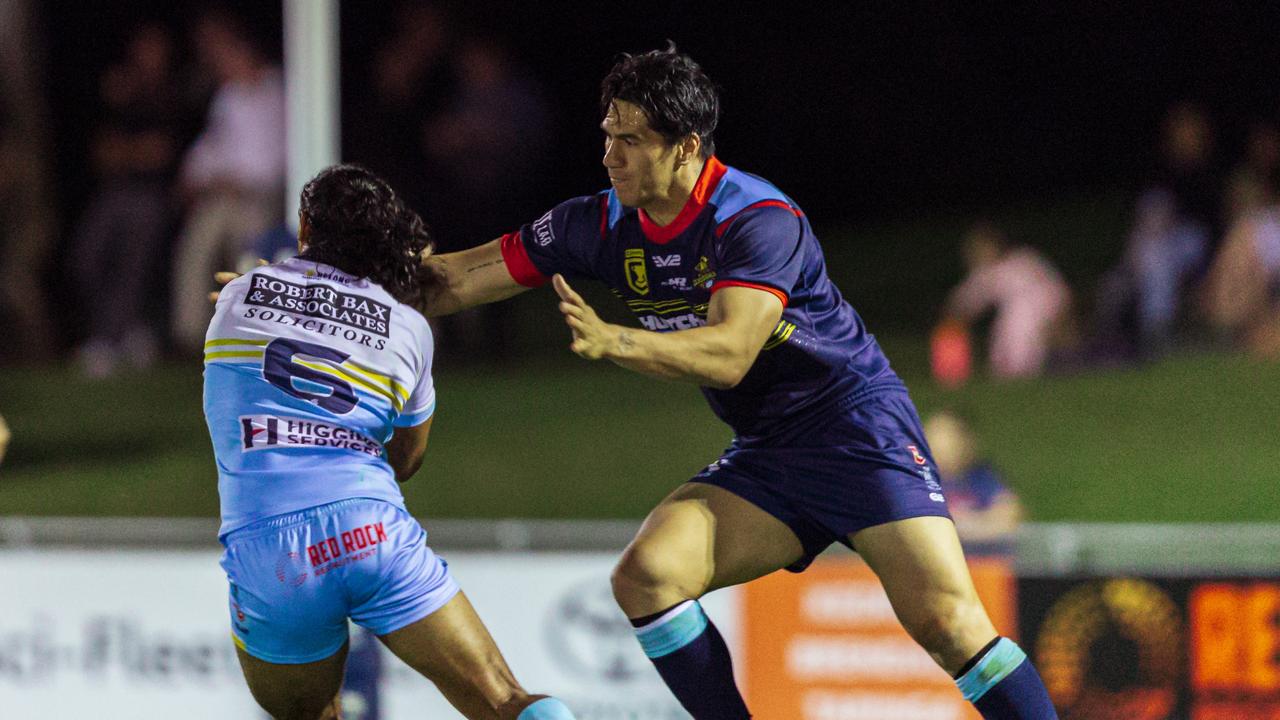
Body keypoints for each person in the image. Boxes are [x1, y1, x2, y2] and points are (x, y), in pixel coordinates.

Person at [415, 46, 1057, 719]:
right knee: (648, 576)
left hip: (855, 426)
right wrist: (358, 272)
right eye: (609, 137)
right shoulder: (597, 223)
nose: (611, 157)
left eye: (631, 141)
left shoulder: (755, 217)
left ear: (686, 147)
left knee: (948, 624)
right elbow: (458, 277)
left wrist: (616, 339)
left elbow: (729, 354)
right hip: (771, 447)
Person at [204, 165, 575, 720]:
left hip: (272, 552)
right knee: (506, 701)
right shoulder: (408, 328)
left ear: (304, 229)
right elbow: (407, 460)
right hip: (370, 531)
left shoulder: (236, 297)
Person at [68, 22, 183, 376]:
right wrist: (133, 152)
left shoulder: (175, 95)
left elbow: (162, 154)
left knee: (134, 258)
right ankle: (134, 330)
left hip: (156, 195)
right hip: (116, 192)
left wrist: (129, 154)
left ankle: (107, 341)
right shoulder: (122, 94)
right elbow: (103, 153)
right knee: (86, 255)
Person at [173, 9, 286, 354]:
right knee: (197, 241)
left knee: (247, 247)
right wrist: (192, 177)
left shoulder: (277, 92)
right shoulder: (229, 98)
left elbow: (277, 160)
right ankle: (189, 336)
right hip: (225, 196)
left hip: (265, 196)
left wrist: (239, 181)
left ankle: (255, 335)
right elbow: (211, 148)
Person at [942, 221, 1073, 379]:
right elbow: (962, 303)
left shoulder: (1024, 261)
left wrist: (1058, 320)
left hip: (1036, 318)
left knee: (1021, 362)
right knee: (1001, 363)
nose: (975, 253)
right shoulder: (987, 272)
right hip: (1014, 318)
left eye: (980, 247)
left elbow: (1056, 292)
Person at [923, 410, 1024, 545]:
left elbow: (1009, 516)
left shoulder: (981, 476)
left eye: (950, 437)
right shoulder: (916, 479)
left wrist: (963, 526)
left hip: (979, 558)